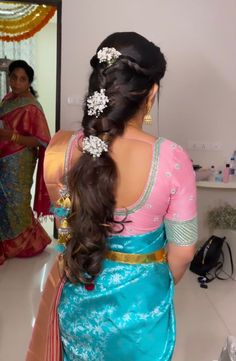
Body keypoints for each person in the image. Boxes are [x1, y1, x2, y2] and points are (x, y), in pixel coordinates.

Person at [27, 32, 198, 361]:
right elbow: (183, 251)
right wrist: (151, 287)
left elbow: (65, 229)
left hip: (77, 302)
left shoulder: (61, 150)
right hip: (140, 315)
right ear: (152, 93)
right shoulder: (172, 159)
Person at [0, 60, 51, 265]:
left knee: (16, 202)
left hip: (19, 161)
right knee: (3, 202)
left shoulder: (32, 107)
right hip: (3, 158)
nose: (17, 82)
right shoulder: (7, 99)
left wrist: (11, 136)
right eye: (14, 77)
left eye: (22, 79)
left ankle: (25, 242)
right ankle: (7, 240)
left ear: (29, 82)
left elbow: (41, 140)